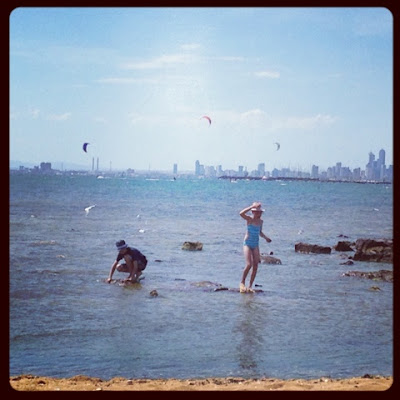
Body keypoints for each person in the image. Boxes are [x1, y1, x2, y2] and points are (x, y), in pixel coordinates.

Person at [239, 202, 271, 293]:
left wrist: (266, 238)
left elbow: (260, 232)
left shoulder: (261, 222)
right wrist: (251, 207)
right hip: (247, 243)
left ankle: (250, 286)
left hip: (255, 244)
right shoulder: (249, 219)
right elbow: (241, 213)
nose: (258, 214)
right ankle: (242, 283)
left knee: (256, 265)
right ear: (253, 212)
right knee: (249, 264)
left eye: (260, 212)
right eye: (256, 212)